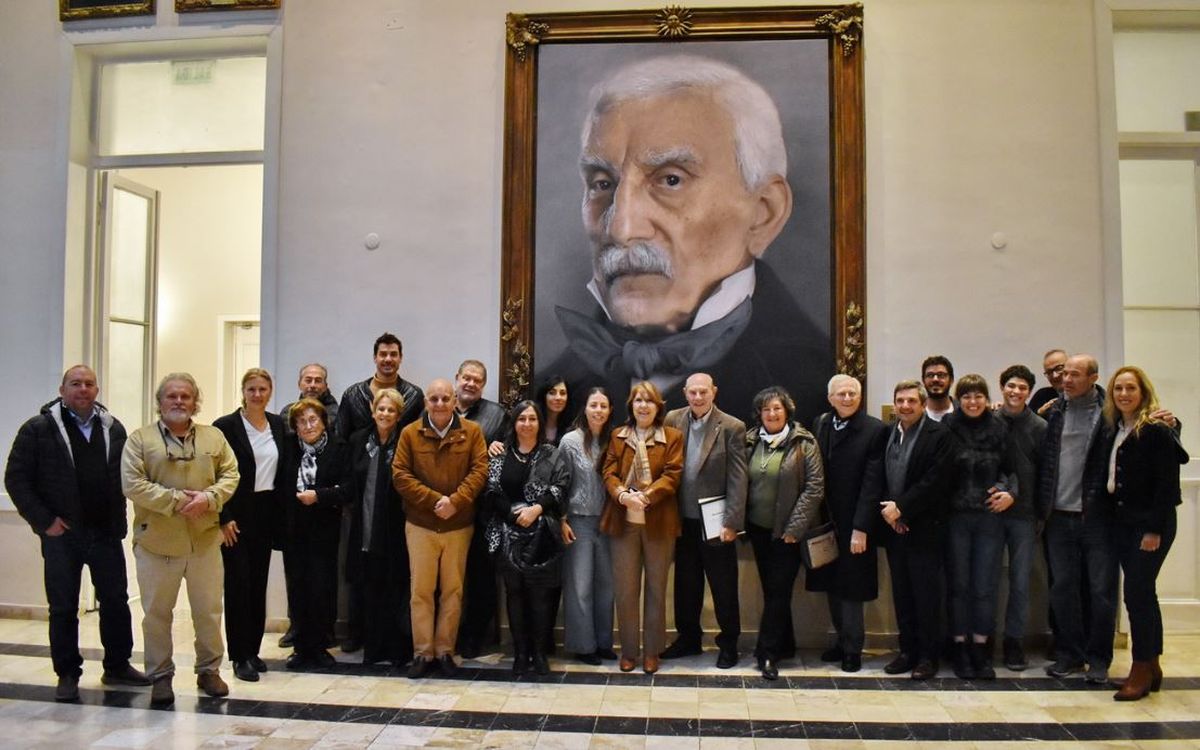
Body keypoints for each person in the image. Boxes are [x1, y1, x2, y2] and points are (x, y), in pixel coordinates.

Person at [538, 54, 831, 424]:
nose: (621, 228)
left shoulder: (817, 387)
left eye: (671, 179)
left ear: (763, 211)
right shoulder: (551, 389)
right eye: (602, 184)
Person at [4, 365, 150, 702]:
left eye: (89, 384)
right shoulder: (38, 429)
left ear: (97, 390)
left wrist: (119, 522)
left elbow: (123, 478)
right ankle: (67, 672)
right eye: (75, 384)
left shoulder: (113, 429)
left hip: (105, 534)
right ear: (62, 389)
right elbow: (16, 480)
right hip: (62, 536)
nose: (82, 389)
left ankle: (117, 665)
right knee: (63, 606)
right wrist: (45, 521)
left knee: (115, 601)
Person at [120, 373, 239, 706]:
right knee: (157, 614)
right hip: (158, 544)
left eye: (186, 396)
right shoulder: (139, 440)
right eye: (171, 396)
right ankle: (160, 675)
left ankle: (209, 670)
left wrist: (209, 499)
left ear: (195, 402)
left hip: (204, 541)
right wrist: (177, 501)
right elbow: (133, 484)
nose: (179, 402)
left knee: (209, 611)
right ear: (160, 402)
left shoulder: (214, 438)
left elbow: (231, 474)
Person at [392, 378, 489, 679]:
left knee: (453, 590)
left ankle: (445, 650)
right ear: (425, 403)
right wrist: (436, 502)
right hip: (421, 525)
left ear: (454, 400)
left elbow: (480, 470)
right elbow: (400, 475)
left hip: (458, 525)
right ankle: (422, 652)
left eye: (445, 399)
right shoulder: (410, 433)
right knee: (420, 591)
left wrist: (456, 502)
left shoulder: (472, 432)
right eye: (433, 399)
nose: (439, 404)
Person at [1102, 367, 1188, 700]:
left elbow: (1167, 485)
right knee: (1141, 594)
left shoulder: (1155, 429)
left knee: (1137, 594)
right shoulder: (1117, 428)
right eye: (1118, 389)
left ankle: (1140, 667)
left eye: (1130, 388)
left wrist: (1153, 530)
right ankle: (1151, 664)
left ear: (1143, 392)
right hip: (1124, 522)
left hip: (1150, 525)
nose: (1124, 394)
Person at [337, 333, 422, 653]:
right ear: (375, 357)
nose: (388, 359)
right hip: (361, 507)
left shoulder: (414, 396)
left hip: (398, 514)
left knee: (396, 578)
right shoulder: (353, 396)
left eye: (394, 354)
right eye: (383, 354)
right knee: (361, 578)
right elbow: (341, 443)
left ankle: (395, 641)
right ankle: (362, 636)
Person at [1036, 354, 1117, 683]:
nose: (1066, 380)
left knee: (1101, 591)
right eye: (1063, 374)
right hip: (1058, 516)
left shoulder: (1109, 413)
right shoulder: (1055, 410)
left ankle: (1099, 659)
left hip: (1097, 517)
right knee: (1063, 589)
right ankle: (1069, 654)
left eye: (1074, 374)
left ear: (1093, 377)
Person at [660, 373, 747, 669]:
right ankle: (688, 639)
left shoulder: (732, 426)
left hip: (716, 522)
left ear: (714, 392)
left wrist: (732, 522)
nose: (698, 397)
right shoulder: (672, 419)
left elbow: (738, 477)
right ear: (685, 393)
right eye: (693, 392)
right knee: (686, 584)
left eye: (703, 392)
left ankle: (729, 643)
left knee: (723, 585)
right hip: (681, 520)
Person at [600, 381, 683, 674]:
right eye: (638, 400)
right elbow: (608, 472)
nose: (643, 406)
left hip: (658, 522)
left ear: (658, 406)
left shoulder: (672, 436)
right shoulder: (617, 436)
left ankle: (652, 651)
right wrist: (623, 495)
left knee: (656, 589)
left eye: (649, 401)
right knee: (625, 591)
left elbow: (673, 475)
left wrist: (646, 496)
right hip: (623, 522)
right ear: (631, 406)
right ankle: (629, 651)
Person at [807, 374, 888, 673]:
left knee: (852, 587)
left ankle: (854, 648)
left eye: (852, 393)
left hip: (856, 521)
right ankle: (840, 640)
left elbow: (873, 483)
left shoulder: (874, 429)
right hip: (826, 520)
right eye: (841, 394)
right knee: (832, 583)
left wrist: (862, 527)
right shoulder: (821, 424)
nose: (847, 398)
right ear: (830, 398)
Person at [743, 386, 824, 680]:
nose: (772, 414)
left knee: (777, 592)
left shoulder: (804, 442)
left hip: (788, 533)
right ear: (759, 414)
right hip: (759, 530)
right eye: (766, 409)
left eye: (777, 408)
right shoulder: (750, 440)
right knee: (773, 591)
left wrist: (793, 529)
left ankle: (767, 653)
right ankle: (786, 643)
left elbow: (814, 489)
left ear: (787, 411)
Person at [484, 401, 570, 675]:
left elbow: (561, 486)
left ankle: (539, 652)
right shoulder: (499, 454)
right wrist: (513, 517)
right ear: (514, 423)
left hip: (542, 535)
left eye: (533, 419)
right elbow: (491, 491)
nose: (527, 424)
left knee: (541, 595)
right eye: (522, 419)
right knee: (515, 594)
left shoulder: (551, 454)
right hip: (508, 534)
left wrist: (535, 509)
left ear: (539, 423)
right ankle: (520, 653)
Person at [212, 368, 286, 683]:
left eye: (263, 389)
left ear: (270, 391)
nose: (257, 394)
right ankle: (238, 656)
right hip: (237, 515)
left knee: (258, 585)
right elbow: (214, 475)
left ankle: (253, 651)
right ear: (243, 391)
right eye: (252, 389)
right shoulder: (225, 427)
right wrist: (223, 516)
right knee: (238, 586)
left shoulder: (278, 425)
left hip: (266, 512)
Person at [942, 375, 1016, 681]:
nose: (973, 402)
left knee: (985, 587)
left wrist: (1008, 492)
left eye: (978, 396)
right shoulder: (947, 427)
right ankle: (959, 647)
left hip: (989, 517)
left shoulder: (1000, 427)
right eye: (967, 396)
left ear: (986, 398)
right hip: (955, 517)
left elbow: (1011, 469)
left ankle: (981, 649)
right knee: (959, 586)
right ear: (959, 399)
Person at [879, 380, 954, 681]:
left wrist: (904, 508)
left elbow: (936, 480)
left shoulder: (940, 435)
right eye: (900, 401)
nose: (905, 406)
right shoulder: (889, 433)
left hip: (925, 528)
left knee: (926, 596)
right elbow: (883, 474)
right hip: (895, 528)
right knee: (902, 594)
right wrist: (890, 513)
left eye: (911, 401)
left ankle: (927, 656)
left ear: (922, 404)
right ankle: (906, 651)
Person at [280, 398, 349, 671]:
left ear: (323, 422)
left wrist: (318, 496)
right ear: (295, 426)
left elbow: (347, 489)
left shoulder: (338, 448)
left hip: (324, 528)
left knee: (323, 587)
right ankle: (301, 647)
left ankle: (320, 646)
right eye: (302, 421)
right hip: (294, 528)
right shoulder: (287, 449)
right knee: (297, 588)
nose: (308, 426)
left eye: (313, 420)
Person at [346, 388, 412, 666]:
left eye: (391, 410)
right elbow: (350, 480)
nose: (385, 414)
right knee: (369, 589)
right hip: (365, 524)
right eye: (381, 409)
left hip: (396, 527)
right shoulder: (358, 440)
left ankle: (397, 649)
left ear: (399, 415)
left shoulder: (406, 441)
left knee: (396, 589)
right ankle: (373, 647)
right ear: (373, 412)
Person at [455, 359, 510, 659]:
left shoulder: (497, 415)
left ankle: (476, 637)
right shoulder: (439, 408)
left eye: (477, 380)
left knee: (480, 577)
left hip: (482, 510)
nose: (471, 383)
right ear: (457, 378)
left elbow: (504, 461)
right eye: (467, 377)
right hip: (446, 507)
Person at [560, 387, 618, 665]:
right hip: (578, 522)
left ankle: (604, 642)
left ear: (609, 411)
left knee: (606, 585)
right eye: (593, 405)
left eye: (603, 406)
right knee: (580, 586)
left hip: (608, 523)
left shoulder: (615, 440)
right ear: (585, 408)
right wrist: (561, 520)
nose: (598, 410)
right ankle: (584, 646)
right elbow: (559, 484)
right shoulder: (570, 441)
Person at [994, 364, 1047, 670]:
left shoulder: (1039, 426)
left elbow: (1044, 472)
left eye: (1022, 388)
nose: (1015, 392)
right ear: (1002, 387)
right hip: (992, 511)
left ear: (1029, 391)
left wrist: (1041, 512)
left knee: (1020, 581)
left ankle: (1014, 642)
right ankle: (983, 640)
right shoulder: (990, 420)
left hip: (1024, 515)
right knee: (985, 579)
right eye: (1011, 386)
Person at [280, 363, 339, 435]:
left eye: (318, 381)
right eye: (308, 380)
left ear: (325, 386)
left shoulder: (338, 413)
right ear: (299, 384)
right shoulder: (287, 412)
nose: (312, 385)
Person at [537, 376, 573, 447]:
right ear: (544, 396)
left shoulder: (572, 429)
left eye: (562, 393)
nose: (558, 398)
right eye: (552, 393)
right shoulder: (533, 423)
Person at [1029, 349, 1067, 417]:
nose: (1055, 376)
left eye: (1059, 368)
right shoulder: (1042, 395)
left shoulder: (1086, 393)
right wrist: (1040, 413)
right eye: (1049, 372)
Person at [921, 355, 955, 422]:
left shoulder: (963, 412)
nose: (935, 379)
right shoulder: (915, 415)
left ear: (951, 380)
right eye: (930, 375)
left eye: (941, 375)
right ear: (923, 381)